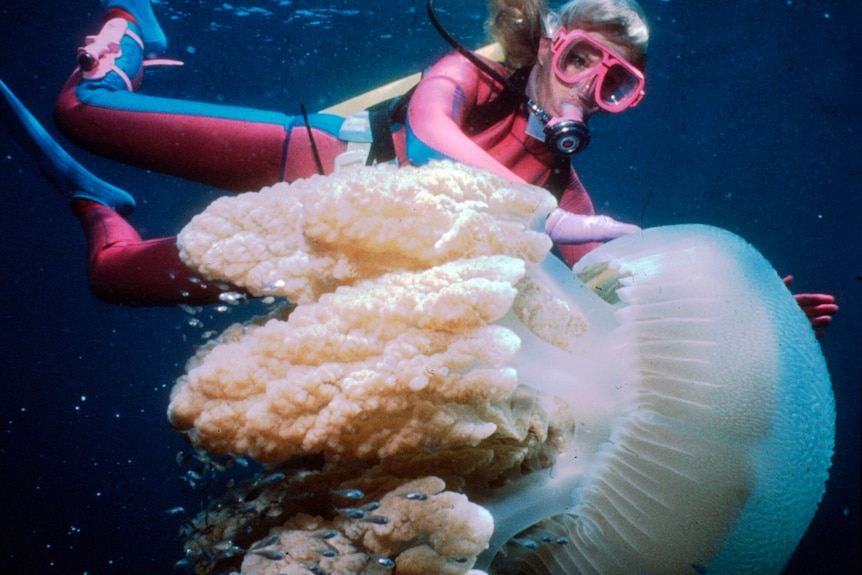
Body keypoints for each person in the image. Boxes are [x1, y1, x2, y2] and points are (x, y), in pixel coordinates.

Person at [1, 0, 838, 335]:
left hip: (309, 243)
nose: (588, 88)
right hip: (311, 156)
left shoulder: (561, 187)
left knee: (112, 278)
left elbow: (622, 278)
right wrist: (551, 214)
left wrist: (752, 310)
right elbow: (432, 129)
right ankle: (132, 29)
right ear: (550, 43)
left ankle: (93, 200)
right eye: (584, 58)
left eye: (617, 83)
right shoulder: (474, 78)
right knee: (81, 111)